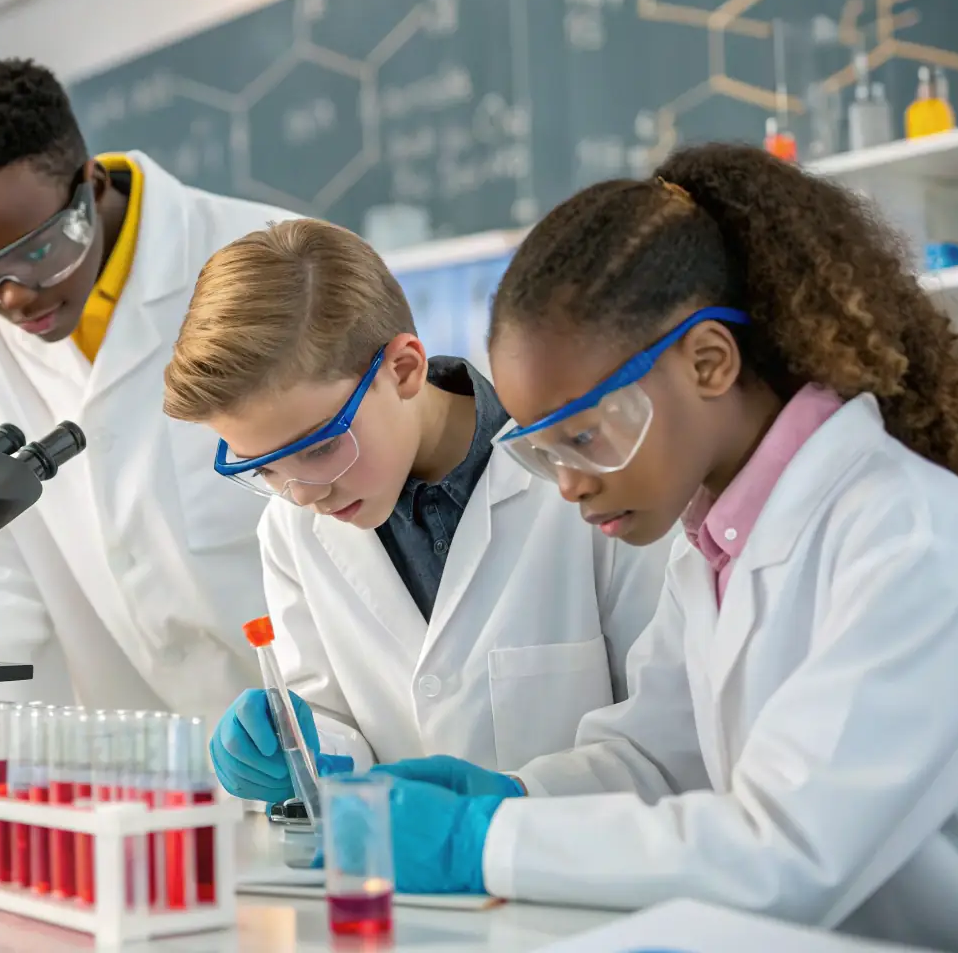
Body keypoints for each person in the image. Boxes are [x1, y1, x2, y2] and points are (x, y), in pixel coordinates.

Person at [363, 143, 958, 952]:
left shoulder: (907, 534)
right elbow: (656, 760)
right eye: (543, 451)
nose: (568, 485)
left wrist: (482, 845)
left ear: (707, 362)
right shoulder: (713, 543)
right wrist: (510, 799)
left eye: (585, 437)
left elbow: (786, 852)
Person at [160, 219, 671, 805]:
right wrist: (302, 748)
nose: (303, 494)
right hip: (397, 885)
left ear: (403, 369)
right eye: (265, 468)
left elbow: (664, 740)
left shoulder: (589, 486)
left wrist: (514, 801)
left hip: (584, 878)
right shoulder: (291, 530)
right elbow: (340, 727)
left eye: (320, 446)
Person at [0, 57, 299, 715]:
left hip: (299, 710)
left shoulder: (271, 258)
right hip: (127, 740)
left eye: (38, 250)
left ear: (90, 184)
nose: (15, 297)